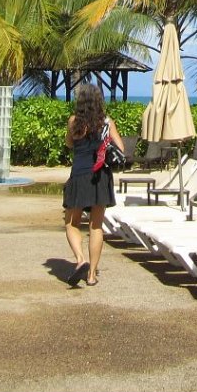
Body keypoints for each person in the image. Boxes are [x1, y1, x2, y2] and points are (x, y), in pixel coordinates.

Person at [61, 81, 125, 287]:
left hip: (79, 175)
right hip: (100, 177)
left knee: (71, 222)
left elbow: (69, 144)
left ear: (80, 102)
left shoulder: (73, 121)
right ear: (99, 101)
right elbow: (121, 149)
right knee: (96, 226)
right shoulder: (106, 123)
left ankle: (81, 260)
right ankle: (91, 276)